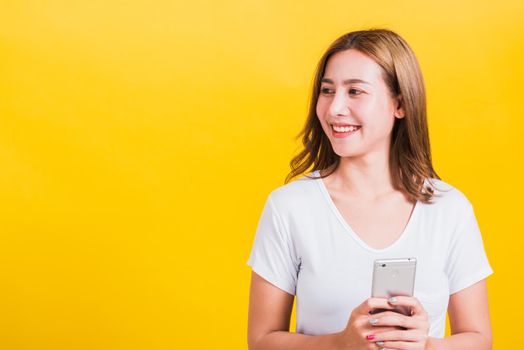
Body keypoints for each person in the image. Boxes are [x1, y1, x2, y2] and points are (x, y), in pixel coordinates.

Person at [246, 29, 493, 350]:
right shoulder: (289, 207)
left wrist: (427, 345)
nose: (334, 108)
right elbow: (261, 341)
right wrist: (340, 343)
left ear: (400, 104)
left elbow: (479, 339)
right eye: (327, 90)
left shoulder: (450, 209)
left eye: (355, 92)